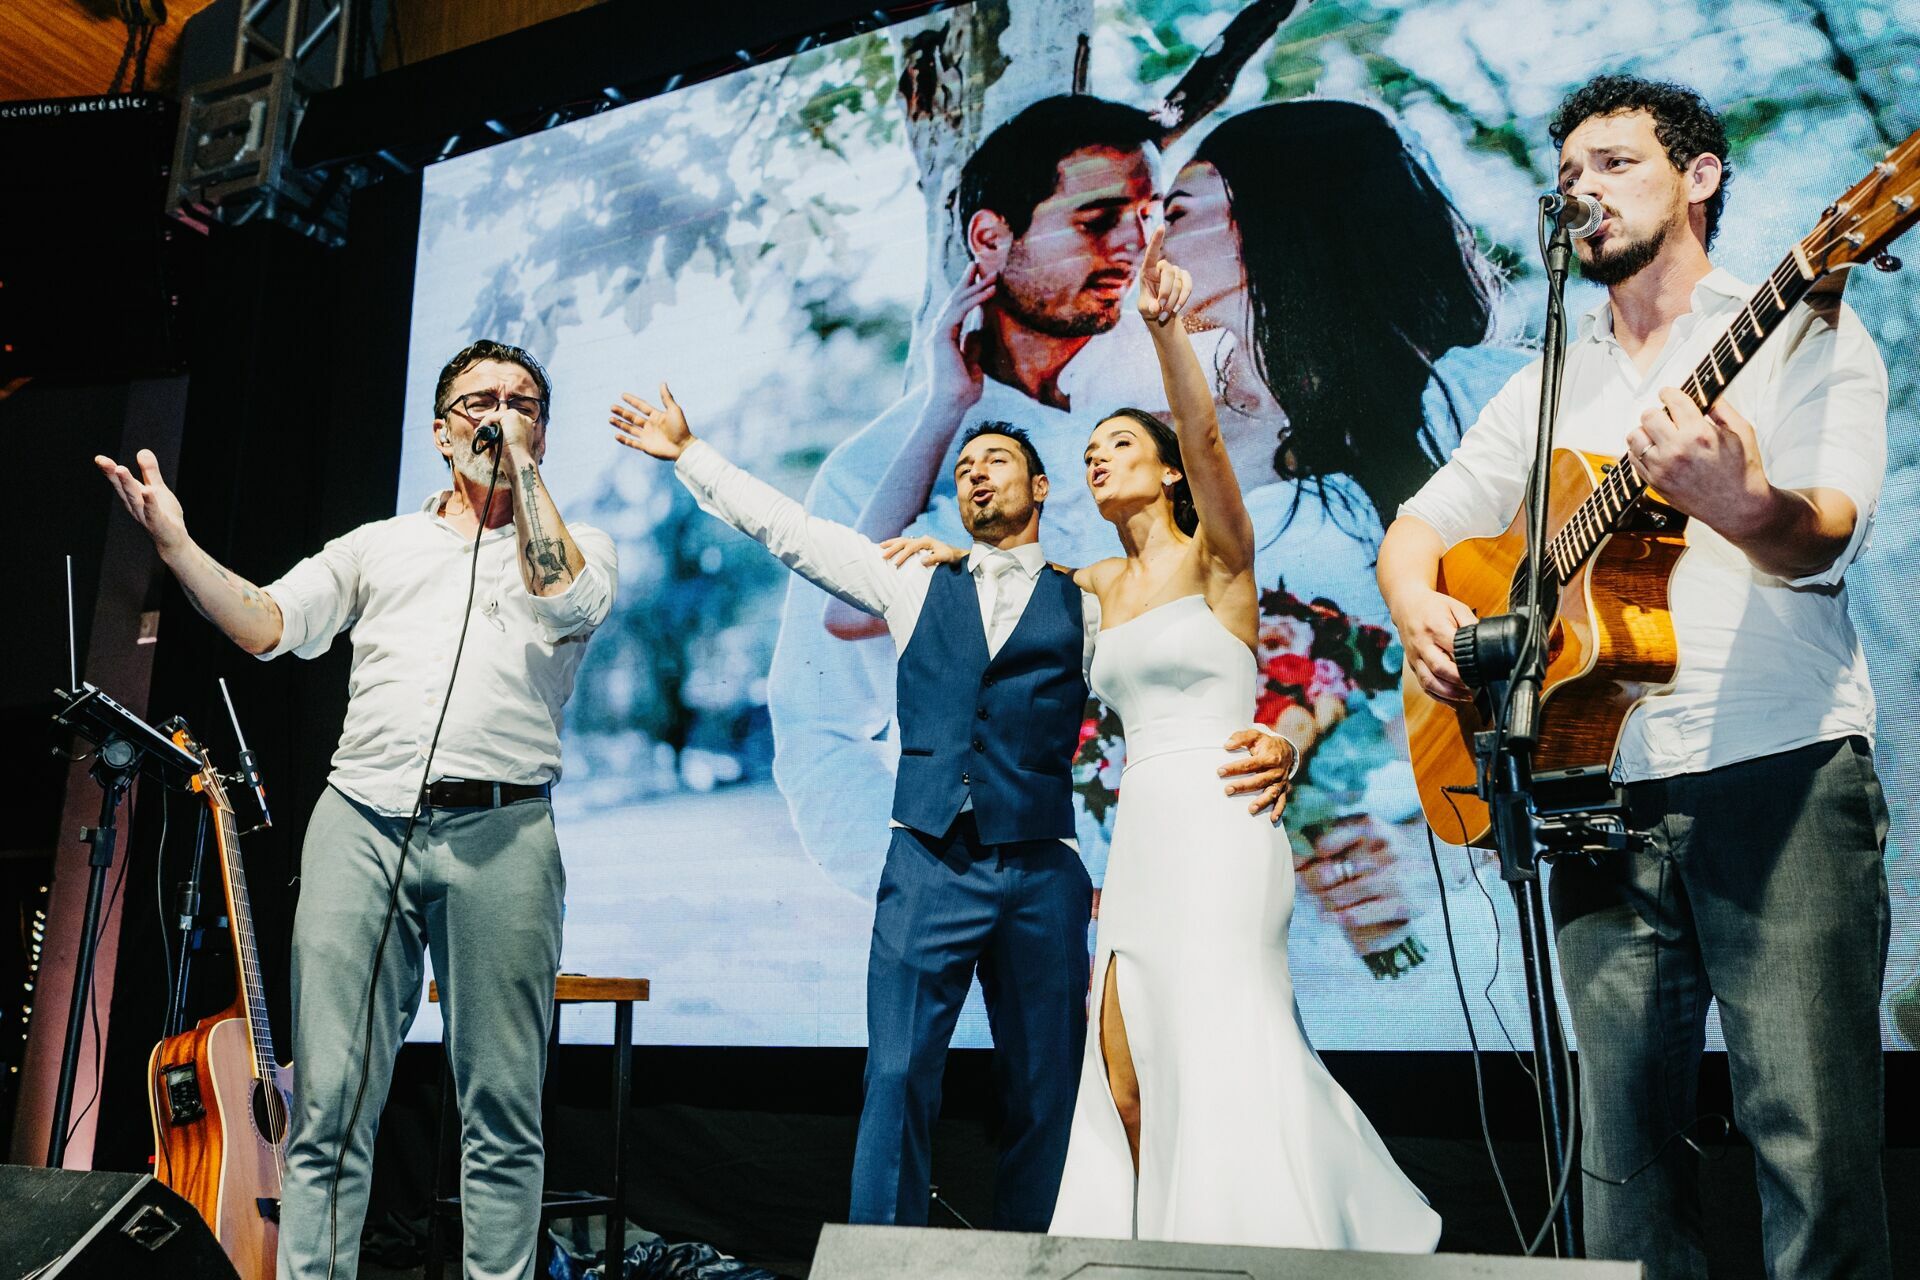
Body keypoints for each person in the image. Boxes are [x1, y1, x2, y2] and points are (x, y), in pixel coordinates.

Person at [831, 97, 1529, 986]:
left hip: (1445, 899)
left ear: (1264, 228)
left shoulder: (1471, 398)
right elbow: (856, 605)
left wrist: (1398, 819)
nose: (1143, 241)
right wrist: (944, 406)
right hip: (1210, 923)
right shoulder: (1158, 453)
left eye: (1178, 212)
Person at [1378, 73, 1891, 1280]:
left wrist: (1742, 501)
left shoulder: (1804, 322)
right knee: (1619, 1172)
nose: (1583, 192)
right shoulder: (1546, 382)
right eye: (1567, 177)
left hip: (1781, 777)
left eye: (1613, 163)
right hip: (1593, 801)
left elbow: (1827, 533)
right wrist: (1419, 606)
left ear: (1699, 176)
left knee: (1809, 1154)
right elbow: (1419, 521)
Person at [607, 386, 1298, 1232]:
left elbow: (1184, 662)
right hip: (926, 861)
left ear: (1042, 489)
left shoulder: (1089, 597)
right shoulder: (909, 580)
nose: (976, 476)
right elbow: (793, 532)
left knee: (1048, 1089)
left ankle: (1037, 1259)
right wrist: (690, 453)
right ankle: (880, 1263)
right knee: (895, 1075)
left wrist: (1277, 735)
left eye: (996, 462)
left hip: (1043, 870)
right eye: (964, 468)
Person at [96, 340, 618, 1280]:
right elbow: (264, 623)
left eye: (524, 403)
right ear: (437, 428)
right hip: (362, 825)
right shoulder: (380, 545)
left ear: (544, 428)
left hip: (504, 833)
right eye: (478, 401)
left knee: (502, 1108)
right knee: (331, 1101)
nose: (501, 415)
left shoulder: (579, 545)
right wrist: (176, 545)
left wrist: (524, 474)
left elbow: (568, 601)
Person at [1041, 229, 1441, 1248]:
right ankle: (1157, 1245)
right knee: (1123, 1074)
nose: (1099, 459)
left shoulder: (1222, 559)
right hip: (1140, 837)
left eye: (1121, 445)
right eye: (1090, 453)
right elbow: (995, 590)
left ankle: (1272, 1246)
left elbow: (1212, 440)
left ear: (1172, 474)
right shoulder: (1094, 586)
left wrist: (1165, 329)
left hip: (1225, 817)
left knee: (1229, 1053)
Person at [763, 95, 1167, 901]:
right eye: (1097, 219)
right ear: (991, 238)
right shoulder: (878, 465)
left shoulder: (1185, 417)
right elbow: (822, 730)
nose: (1134, 245)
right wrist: (934, 885)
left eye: (1149, 218)